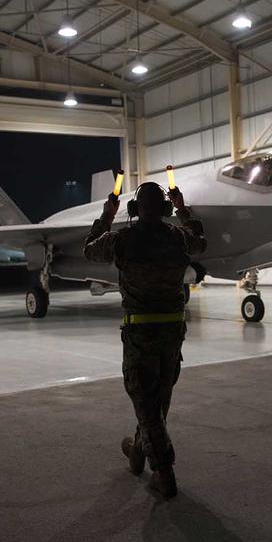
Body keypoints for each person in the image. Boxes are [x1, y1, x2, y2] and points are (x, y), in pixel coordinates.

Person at [83, 181, 206, 498]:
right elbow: (201, 243)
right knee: (157, 400)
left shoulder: (122, 240)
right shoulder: (179, 237)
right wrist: (183, 209)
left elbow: (89, 249)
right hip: (173, 334)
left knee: (146, 403)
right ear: (166, 210)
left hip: (140, 334)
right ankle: (137, 453)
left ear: (134, 210)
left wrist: (106, 216)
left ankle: (163, 471)